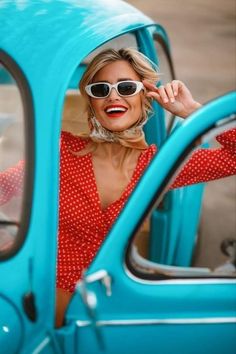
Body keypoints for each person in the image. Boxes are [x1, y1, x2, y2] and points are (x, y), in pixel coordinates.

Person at [0, 48, 235, 327]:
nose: (113, 96)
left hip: (113, 302)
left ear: (144, 96)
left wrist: (194, 114)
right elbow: (3, 187)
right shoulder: (61, 150)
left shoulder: (158, 165)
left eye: (126, 87)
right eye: (101, 89)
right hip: (40, 303)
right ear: (92, 102)